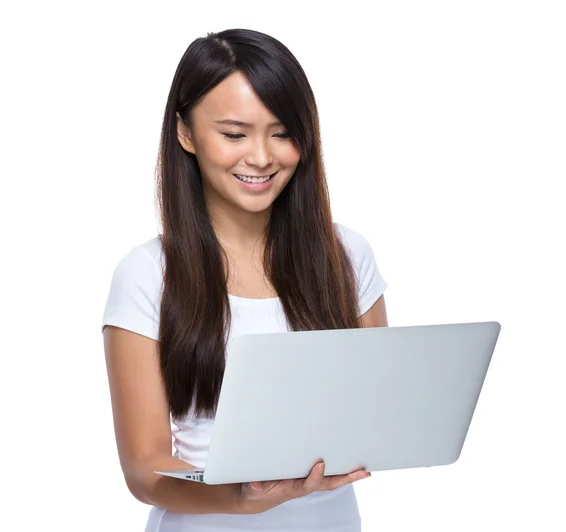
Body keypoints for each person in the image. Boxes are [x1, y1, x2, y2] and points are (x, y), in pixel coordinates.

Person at [101, 28, 388, 532]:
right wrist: (243, 499)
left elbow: (380, 407)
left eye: (282, 133)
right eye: (234, 134)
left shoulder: (346, 256)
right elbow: (143, 468)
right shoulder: (147, 275)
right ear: (185, 134)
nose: (261, 156)